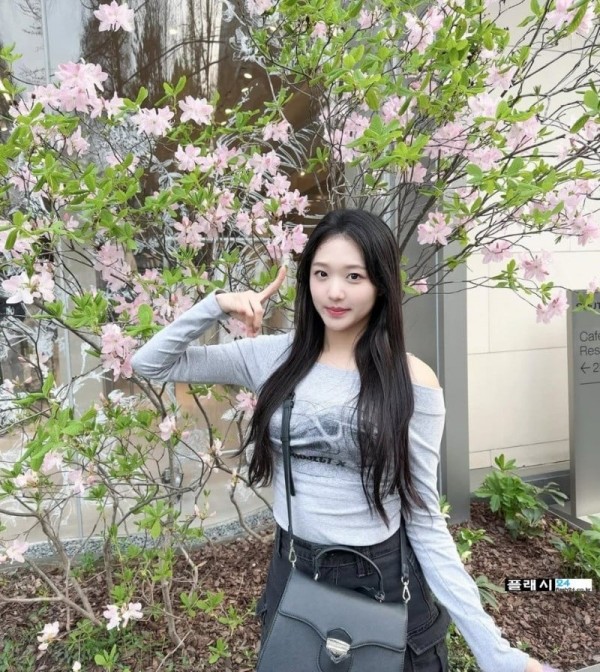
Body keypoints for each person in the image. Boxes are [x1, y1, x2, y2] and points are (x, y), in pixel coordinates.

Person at [131, 209, 558, 672]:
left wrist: (497, 655)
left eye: (354, 276)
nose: (334, 292)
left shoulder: (411, 380)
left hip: (380, 577)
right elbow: (150, 364)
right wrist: (216, 304)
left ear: (381, 284)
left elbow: (423, 519)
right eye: (321, 274)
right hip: (293, 566)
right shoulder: (273, 357)